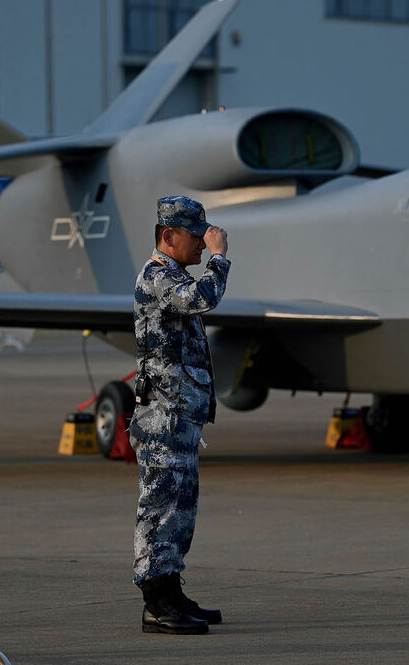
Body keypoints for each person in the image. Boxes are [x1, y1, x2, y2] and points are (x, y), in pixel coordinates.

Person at [129, 195, 230, 635]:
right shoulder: (156, 278)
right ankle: (156, 602)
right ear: (168, 236)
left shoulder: (171, 276)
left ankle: (171, 590)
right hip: (162, 417)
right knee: (160, 507)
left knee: (181, 508)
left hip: (180, 416)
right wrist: (222, 259)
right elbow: (202, 298)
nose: (204, 246)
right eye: (196, 236)